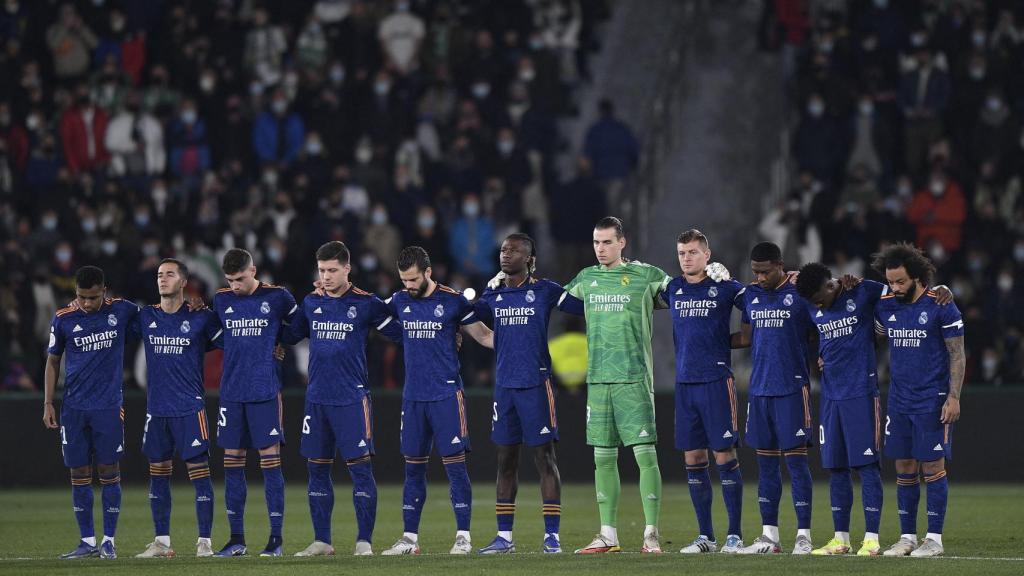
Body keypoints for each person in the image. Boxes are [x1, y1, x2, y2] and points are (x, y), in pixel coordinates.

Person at [281, 241, 402, 557]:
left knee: (360, 471)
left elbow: (404, 331)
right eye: (322, 270)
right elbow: (290, 335)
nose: (327, 276)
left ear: (348, 269)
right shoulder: (311, 302)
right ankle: (322, 540)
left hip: (351, 399)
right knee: (316, 470)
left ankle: (364, 541)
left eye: (333, 270)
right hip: (317, 400)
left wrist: (444, 333)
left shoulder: (366, 303)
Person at [563, 216, 670, 554]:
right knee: (603, 459)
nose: (600, 249)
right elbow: (556, 300)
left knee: (645, 456)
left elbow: (681, 294)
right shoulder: (586, 279)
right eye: (596, 242)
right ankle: (608, 534)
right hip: (598, 380)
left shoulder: (646, 276)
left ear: (622, 243)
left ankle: (651, 533)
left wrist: (709, 274)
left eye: (607, 242)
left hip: (633, 378)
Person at [379, 246, 493, 555]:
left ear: (428, 272)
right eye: (404, 280)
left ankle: (463, 536)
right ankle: (409, 539)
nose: (408, 286)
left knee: (455, 468)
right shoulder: (400, 300)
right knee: (413, 469)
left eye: (413, 279)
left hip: (445, 395)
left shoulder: (453, 301)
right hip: (413, 397)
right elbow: (370, 312)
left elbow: (483, 336)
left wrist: (521, 343)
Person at [474, 233, 583, 554]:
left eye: (514, 250)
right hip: (504, 388)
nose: (506, 255)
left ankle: (552, 536)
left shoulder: (545, 290)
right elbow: (467, 318)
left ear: (530, 259)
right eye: (504, 250)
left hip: (536, 385)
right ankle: (504, 537)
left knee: (544, 458)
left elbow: (579, 306)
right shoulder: (493, 293)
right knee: (505, 460)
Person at [873, 243, 964, 557]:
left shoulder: (941, 304)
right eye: (890, 281)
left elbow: (957, 354)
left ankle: (934, 539)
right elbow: (870, 333)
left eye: (900, 281)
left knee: (933, 467)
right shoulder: (886, 305)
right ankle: (907, 537)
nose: (895, 287)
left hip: (932, 399)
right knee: (904, 466)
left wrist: (954, 397)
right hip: (899, 399)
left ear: (918, 277)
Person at [43, 266, 139, 559]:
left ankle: (109, 540)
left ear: (104, 291)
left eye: (93, 297)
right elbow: (52, 361)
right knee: (79, 473)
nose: (86, 303)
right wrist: (48, 402)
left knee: (110, 472)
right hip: (73, 408)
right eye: (82, 297)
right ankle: (87, 541)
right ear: (75, 294)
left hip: (108, 407)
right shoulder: (63, 319)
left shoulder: (122, 310)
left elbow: (157, 315)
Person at [130, 259, 222, 558]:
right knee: (158, 475)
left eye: (170, 274)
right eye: (159, 274)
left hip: (189, 409)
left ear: (184, 282)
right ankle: (161, 542)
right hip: (157, 411)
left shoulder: (201, 318)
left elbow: (231, 339)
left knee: (200, 476)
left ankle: (204, 542)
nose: (162, 279)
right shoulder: (145, 316)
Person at [662, 230, 746, 554]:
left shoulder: (723, 287)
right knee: (694, 458)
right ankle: (706, 537)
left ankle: (735, 535)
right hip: (685, 384)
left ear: (707, 255)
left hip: (716, 381)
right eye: (682, 252)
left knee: (724, 455)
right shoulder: (673, 288)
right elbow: (649, 296)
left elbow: (753, 303)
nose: (687, 258)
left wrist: (735, 280)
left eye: (694, 252)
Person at [212, 248, 297, 557]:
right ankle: (236, 539)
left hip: (264, 391)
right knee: (232, 463)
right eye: (230, 280)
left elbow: (299, 325)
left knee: (270, 463)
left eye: (240, 279)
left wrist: (280, 342)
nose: (235, 286)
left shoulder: (278, 297)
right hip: (231, 393)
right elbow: (213, 332)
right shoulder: (222, 300)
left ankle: (275, 539)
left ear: (254, 270)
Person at [734, 242, 815, 555]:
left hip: (792, 389)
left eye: (765, 271)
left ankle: (804, 536)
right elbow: (745, 337)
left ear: (781, 265)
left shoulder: (800, 292)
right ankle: (770, 537)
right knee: (766, 466)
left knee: (796, 465)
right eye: (755, 272)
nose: (760, 277)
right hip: (760, 391)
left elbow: (824, 320)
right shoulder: (751, 295)